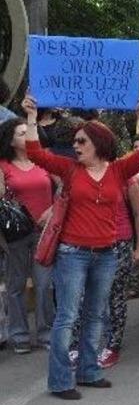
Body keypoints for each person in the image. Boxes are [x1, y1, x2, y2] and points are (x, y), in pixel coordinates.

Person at [24, 94, 139, 400]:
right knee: (67, 317)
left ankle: (88, 371)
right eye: (75, 142)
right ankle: (59, 381)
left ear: (98, 142)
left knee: (96, 315)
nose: (76, 146)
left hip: (107, 254)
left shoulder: (118, 171)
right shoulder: (70, 169)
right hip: (72, 254)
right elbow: (34, 152)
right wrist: (31, 118)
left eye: (82, 141)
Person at [0, 117, 55, 354]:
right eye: (21, 133)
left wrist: (52, 211)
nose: (27, 136)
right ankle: (19, 335)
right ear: (11, 141)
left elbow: (65, 187)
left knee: (45, 284)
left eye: (28, 131)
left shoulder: (43, 160)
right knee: (16, 285)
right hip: (16, 234)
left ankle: (46, 333)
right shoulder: (3, 166)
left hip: (44, 231)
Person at [92, 174, 139, 368]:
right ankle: (91, 342)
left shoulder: (125, 177)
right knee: (92, 295)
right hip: (91, 242)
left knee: (115, 294)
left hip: (120, 242)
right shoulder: (85, 172)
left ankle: (113, 345)